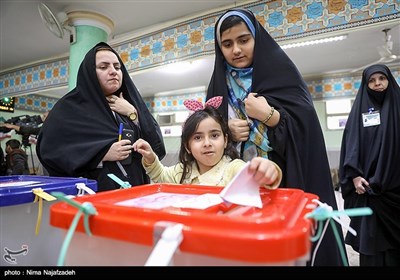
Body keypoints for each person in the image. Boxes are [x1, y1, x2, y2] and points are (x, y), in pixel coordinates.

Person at [206, 8, 346, 266]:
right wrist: (226, 132)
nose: (236, 49)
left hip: (284, 178)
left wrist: (271, 116)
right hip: (236, 184)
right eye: (227, 44)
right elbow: (205, 134)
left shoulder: (284, 75)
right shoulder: (217, 87)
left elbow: (307, 129)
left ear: (257, 39)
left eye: (244, 40)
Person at [36, 42, 166, 192]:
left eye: (117, 67)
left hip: (136, 189)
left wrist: (133, 114)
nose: (113, 72)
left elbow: (156, 147)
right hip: (96, 193)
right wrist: (100, 155)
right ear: (90, 72)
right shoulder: (69, 108)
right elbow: (51, 151)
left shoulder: (130, 104)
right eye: (103, 67)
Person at [133, 97, 282, 188]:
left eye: (214, 135)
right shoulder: (183, 171)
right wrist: (151, 158)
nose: (207, 143)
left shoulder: (233, 168)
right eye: (198, 138)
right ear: (187, 146)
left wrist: (269, 171)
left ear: (225, 140)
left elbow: (255, 179)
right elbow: (161, 175)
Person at [339, 64, 400, 266]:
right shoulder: (359, 113)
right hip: (368, 189)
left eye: (381, 79)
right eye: (372, 80)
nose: (377, 84)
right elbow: (352, 145)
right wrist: (354, 176)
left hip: (396, 188)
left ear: (389, 80)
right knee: (372, 242)